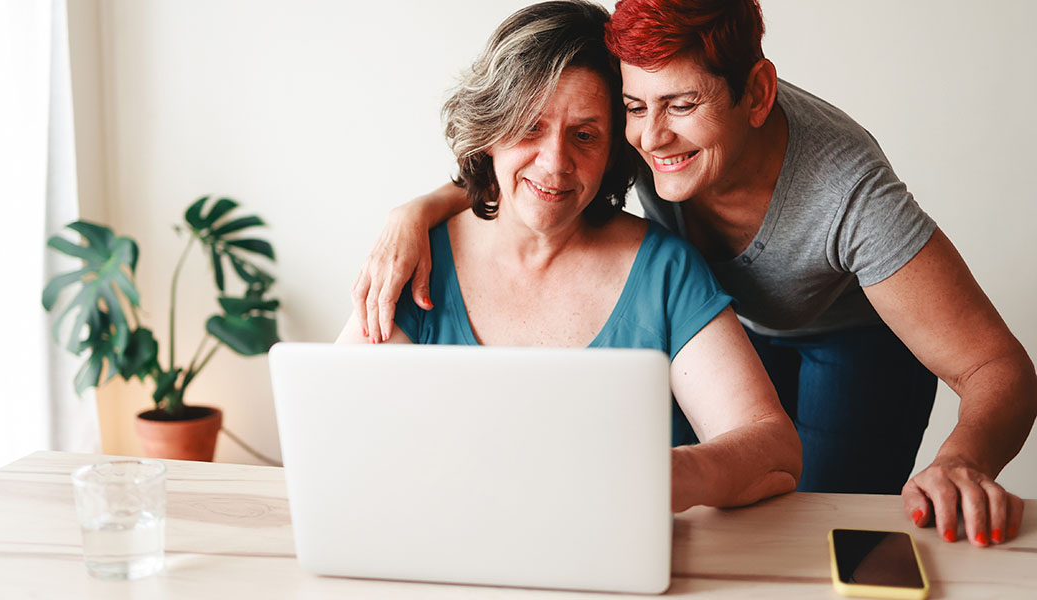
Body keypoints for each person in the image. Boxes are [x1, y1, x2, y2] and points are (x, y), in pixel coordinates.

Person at [349, 0, 1036, 547]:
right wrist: (416, 211)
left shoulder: (848, 193)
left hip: (848, 338)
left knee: (822, 526)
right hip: (719, 317)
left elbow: (995, 366)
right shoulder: (630, 131)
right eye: (636, 111)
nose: (652, 138)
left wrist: (962, 462)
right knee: (716, 521)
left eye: (682, 106)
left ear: (757, 94)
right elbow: (535, 163)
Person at [336, 0, 800, 513]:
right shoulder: (417, 262)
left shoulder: (664, 272)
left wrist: (673, 473)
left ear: (613, 153)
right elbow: (333, 433)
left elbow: (774, 448)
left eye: (584, 136)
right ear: (490, 130)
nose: (555, 164)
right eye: (530, 127)